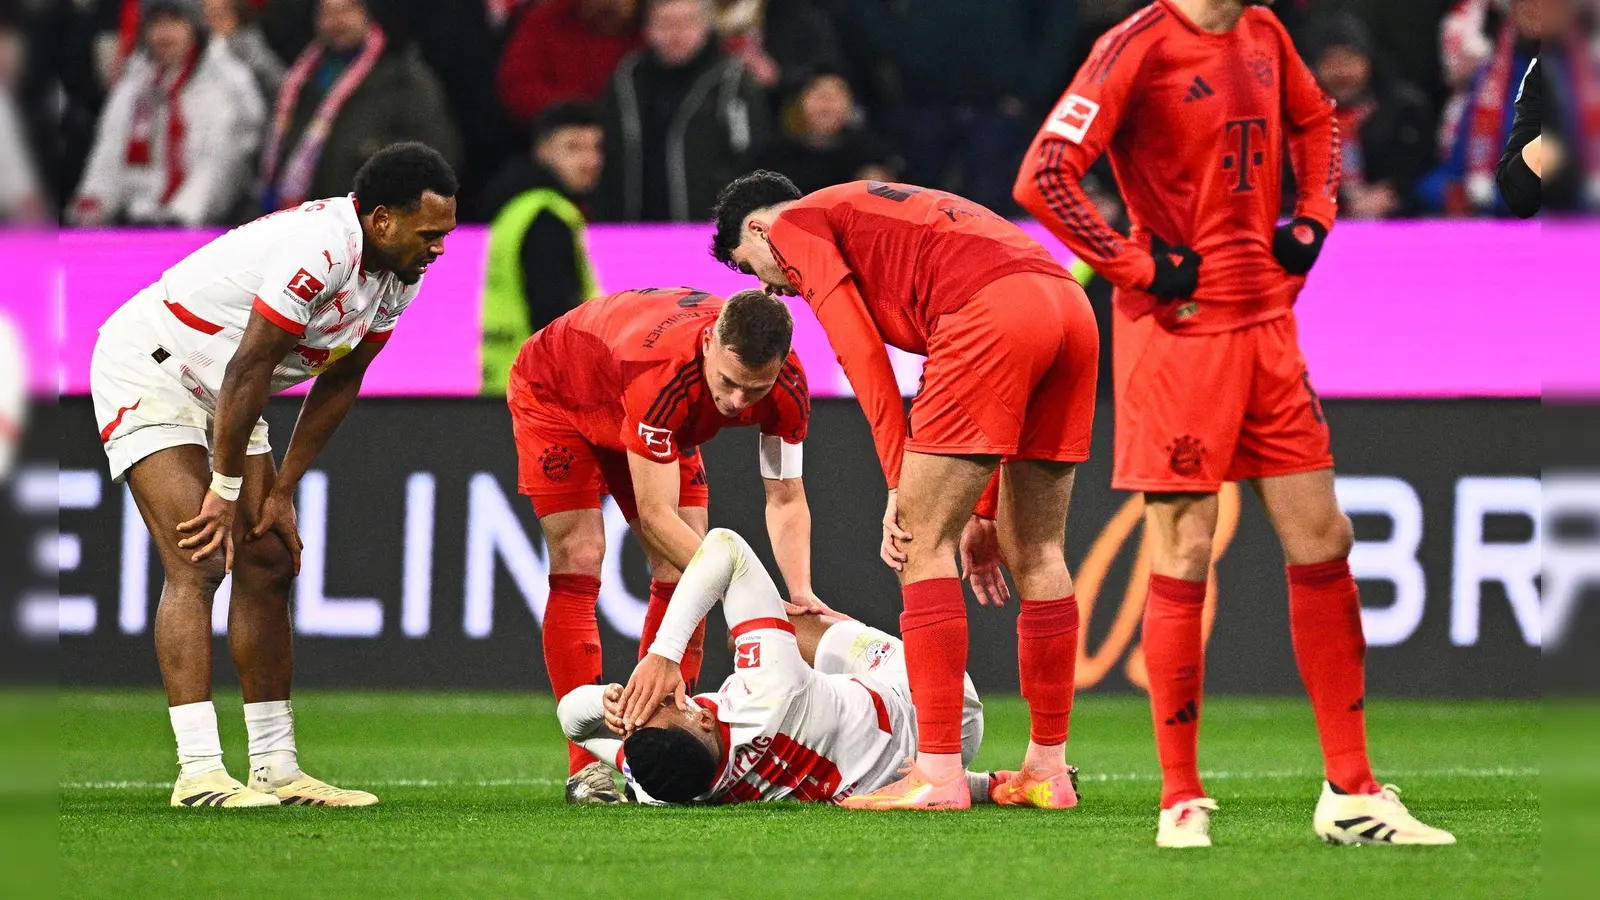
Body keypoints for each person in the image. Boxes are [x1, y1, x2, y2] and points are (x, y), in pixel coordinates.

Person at [1014, 0, 1455, 848]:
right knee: (1183, 545)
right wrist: (1135, 264)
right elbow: (1045, 175)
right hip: (1179, 337)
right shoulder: (1135, 46)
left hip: (1267, 327)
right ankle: (1180, 799)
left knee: (1324, 538)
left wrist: (1317, 214)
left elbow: (1318, 120)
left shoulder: (1263, 30)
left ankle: (1352, 792)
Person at [708, 172, 1096, 811]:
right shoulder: (859, 205)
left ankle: (938, 774)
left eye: (754, 271)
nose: (771, 289)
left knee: (918, 543)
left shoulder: (794, 225)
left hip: (988, 312)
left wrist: (899, 480)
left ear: (756, 229)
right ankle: (1047, 770)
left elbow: (862, 355)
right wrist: (977, 508)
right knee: (1039, 550)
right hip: (1066, 304)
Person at [89, 142, 458, 808]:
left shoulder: (402, 273)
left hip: (229, 389)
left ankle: (276, 769)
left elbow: (344, 378)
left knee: (268, 560)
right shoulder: (320, 249)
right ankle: (199, 773)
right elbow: (251, 366)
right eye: (429, 234)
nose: (438, 249)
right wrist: (225, 491)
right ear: (381, 219)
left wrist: (282, 488)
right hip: (157, 369)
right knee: (198, 560)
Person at [506, 286, 822, 803]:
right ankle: (586, 768)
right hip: (558, 393)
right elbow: (655, 518)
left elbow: (786, 497)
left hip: (644, 412)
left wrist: (801, 592)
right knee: (581, 556)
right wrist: (747, 600)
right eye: (729, 383)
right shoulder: (662, 373)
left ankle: (652, 750)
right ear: (708, 345)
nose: (739, 403)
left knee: (682, 570)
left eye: (755, 390)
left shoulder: (786, 387)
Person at [575, 528, 1076, 807]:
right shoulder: (768, 688)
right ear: (702, 719)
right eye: (668, 704)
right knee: (797, 628)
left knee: (840, 742)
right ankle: (846, 630)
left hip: (892, 770)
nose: (660, 698)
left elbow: (571, 719)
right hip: (940, 705)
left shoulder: (667, 786)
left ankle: (985, 783)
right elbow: (726, 548)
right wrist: (664, 652)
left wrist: (608, 704)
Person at [846, 0, 1079, 215]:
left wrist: (1030, 91)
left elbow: (1058, 23)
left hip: (1002, 107)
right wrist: (899, 52)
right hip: (921, 103)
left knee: (996, 209)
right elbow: (868, 11)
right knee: (915, 210)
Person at [70, 0, 264, 227]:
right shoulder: (135, 85)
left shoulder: (227, 82)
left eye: (174, 22)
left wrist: (179, 218)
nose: (164, 34)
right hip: (138, 222)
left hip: (205, 225)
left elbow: (220, 164)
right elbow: (109, 155)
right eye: (156, 24)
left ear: (196, 27)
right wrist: (92, 203)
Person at [260, 0, 462, 212]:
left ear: (368, 13)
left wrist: (374, 156)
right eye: (327, 13)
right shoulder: (301, 77)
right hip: (303, 218)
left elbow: (439, 149)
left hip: (371, 217)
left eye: (347, 10)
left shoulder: (402, 76)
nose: (337, 21)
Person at [595, 0, 771, 222]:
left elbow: (751, 156)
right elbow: (606, 152)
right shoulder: (627, 79)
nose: (676, 33)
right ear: (648, 30)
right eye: (666, 23)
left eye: (687, 22)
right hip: (632, 228)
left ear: (706, 27)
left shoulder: (732, 82)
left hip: (706, 231)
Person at [480, 103, 605, 395]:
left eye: (595, 147)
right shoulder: (548, 218)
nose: (590, 160)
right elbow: (555, 315)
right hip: (543, 392)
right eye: (573, 148)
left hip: (504, 382)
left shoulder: (516, 210)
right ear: (543, 151)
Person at [1306, 12, 1435, 220]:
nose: (1342, 72)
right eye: (1331, 62)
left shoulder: (1403, 110)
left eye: (1349, 60)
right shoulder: (1299, 119)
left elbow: (1424, 172)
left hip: (1396, 226)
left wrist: (1396, 193)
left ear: (1368, 61)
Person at [1419, 0, 1544, 215]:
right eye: (1523, 3)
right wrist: (1445, 191)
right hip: (1492, 223)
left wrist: (1496, 195)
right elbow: (1454, 168)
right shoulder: (1488, 78)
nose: (1534, 8)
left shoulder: (1585, 82)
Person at [752, 66, 899, 196]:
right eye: (817, 92)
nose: (826, 101)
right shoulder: (774, 157)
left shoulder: (872, 154)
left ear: (851, 105)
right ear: (800, 101)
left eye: (837, 93)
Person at [497, 0, 642, 127]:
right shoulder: (546, 20)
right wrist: (579, 113)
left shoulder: (653, 24)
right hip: (562, 138)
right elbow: (518, 88)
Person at [201, 0, 286, 99]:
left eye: (224, 12)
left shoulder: (261, 31)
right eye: (212, 14)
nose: (218, 19)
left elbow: (277, 77)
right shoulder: (211, 54)